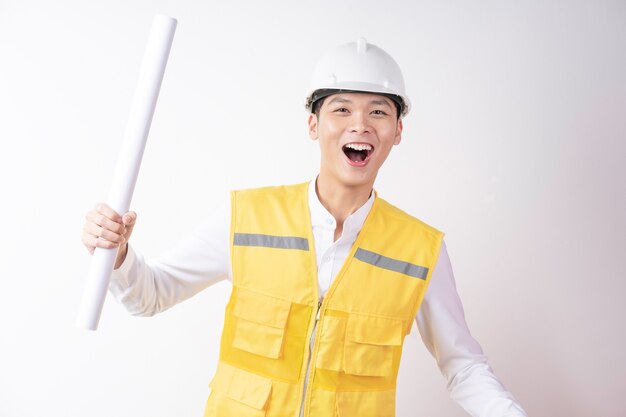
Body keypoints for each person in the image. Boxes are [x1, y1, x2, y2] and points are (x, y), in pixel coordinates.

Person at [82, 38, 527, 417]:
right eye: (341, 109)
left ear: (397, 131)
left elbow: (464, 367)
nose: (360, 124)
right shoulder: (246, 218)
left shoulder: (421, 251)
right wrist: (118, 256)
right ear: (314, 124)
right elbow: (151, 294)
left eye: (378, 112)